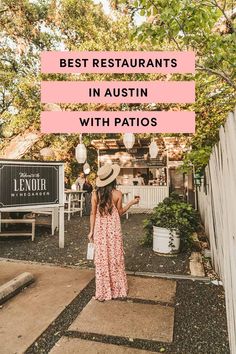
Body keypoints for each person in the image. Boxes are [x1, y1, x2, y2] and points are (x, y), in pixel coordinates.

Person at [88, 164, 140, 301]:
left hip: (100, 229)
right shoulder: (118, 194)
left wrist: (91, 231)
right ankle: (117, 289)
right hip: (114, 230)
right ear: (112, 179)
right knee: (115, 257)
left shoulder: (95, 194)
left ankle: (103, 291)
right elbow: (120, 212)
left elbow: (92, 214)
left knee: (102, 259)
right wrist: (132, 203)